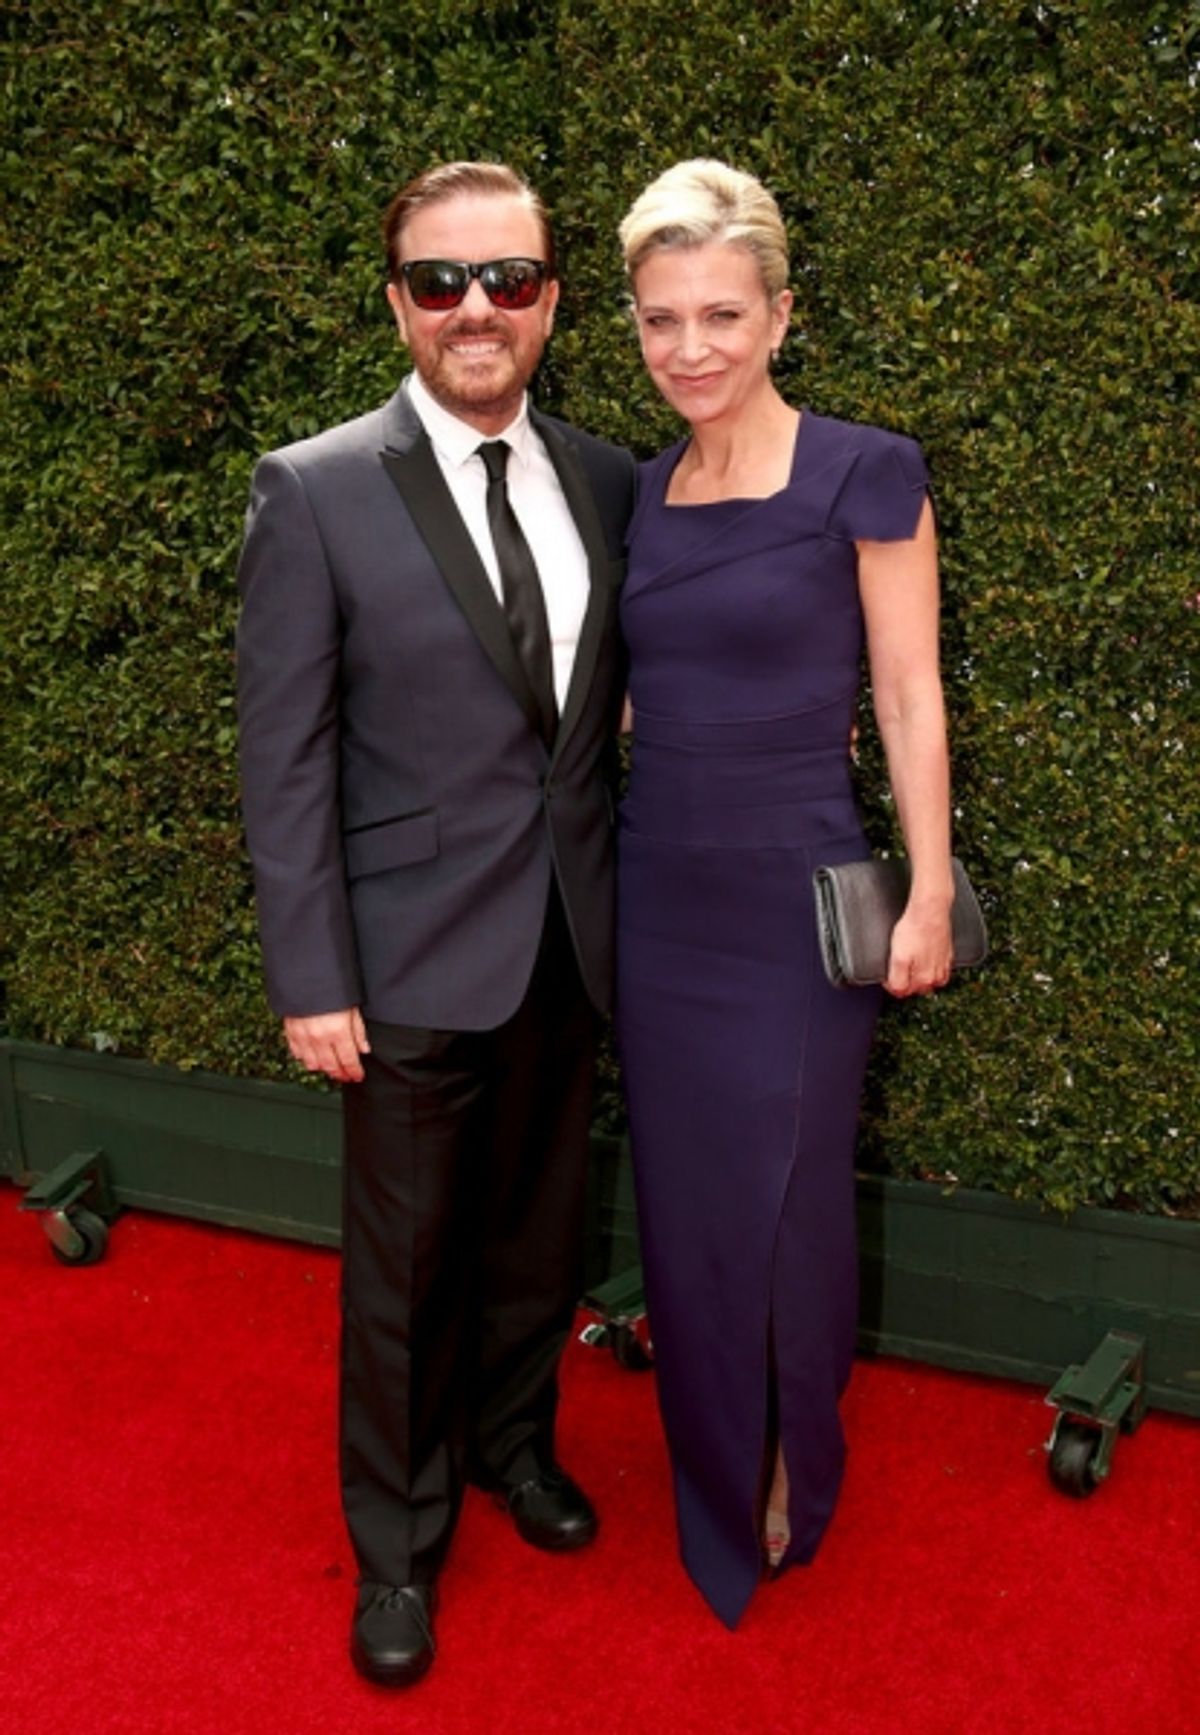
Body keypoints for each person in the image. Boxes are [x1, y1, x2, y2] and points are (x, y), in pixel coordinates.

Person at [236, 161, 635, 1687]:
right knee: (404, 1275)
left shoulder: (608, 479)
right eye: (443, 282)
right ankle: (397, 1550)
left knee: (539, 1239)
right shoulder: (313, 485)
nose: (479, 310)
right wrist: (310, 972)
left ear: (550, 299)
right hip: (400, 958)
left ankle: (511, 1450)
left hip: (569, 941)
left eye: (511, 280)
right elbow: (285, 755)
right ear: (397, 297)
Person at [614, 160, 953, 1629]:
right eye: (659, 320)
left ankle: (790, 1464)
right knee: (687, 1205)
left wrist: (930, 892)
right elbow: (629, 693)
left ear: (780, 315)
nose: (689, 348)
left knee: (793, 1206)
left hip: (797, 898)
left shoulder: (867, 470)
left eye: (721, 315)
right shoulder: (640, 490)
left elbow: (909, 692)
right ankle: (706, 1459)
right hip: (658, 893)